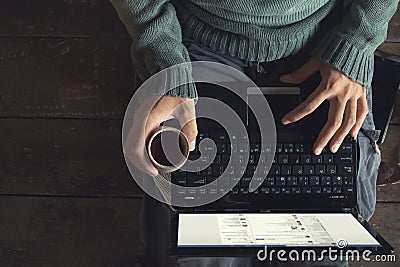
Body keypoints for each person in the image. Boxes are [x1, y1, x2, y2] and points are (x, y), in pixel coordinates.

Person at [110, 0, 399, 266]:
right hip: (193, 38)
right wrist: (165, 57)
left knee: (329, 232)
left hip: (325, 35)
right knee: (197, 244)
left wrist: (357, 42)